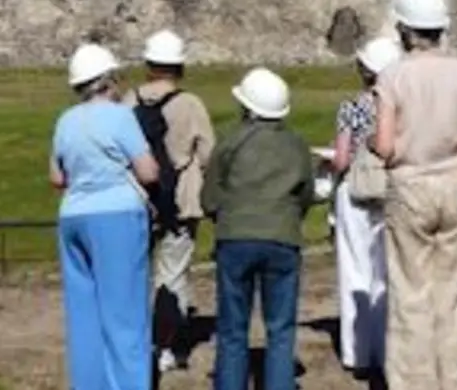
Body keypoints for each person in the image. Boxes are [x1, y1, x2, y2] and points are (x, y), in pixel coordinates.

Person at [372, 0, 457, 390]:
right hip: (455, 182)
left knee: (410, 294)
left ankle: (414, 382)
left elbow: (387, 146)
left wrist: (380, 147)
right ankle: (456, 381)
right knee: (452, 292)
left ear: (406, 30)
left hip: (411, 184)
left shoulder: (393, 75)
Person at [50, 43, 158, 390]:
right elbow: (148, 172)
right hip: (116, 215)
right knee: (124, 314)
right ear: (109, 80)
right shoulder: (120, 116)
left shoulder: (65, 120)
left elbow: (56, 177)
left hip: (73, 216)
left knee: (84, 314)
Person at [202, 67, 316, 390]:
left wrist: (225, 217)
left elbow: (210, 198)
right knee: (280, 329)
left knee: (232, 328)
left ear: (247, 107)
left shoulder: (229, 142)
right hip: (283, 237)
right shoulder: (297, 145)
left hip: (235, 238)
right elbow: (306, 194)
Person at [120, 30, 215, 373]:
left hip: (136, 199)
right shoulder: (190, 105)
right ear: (179, 66)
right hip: (180, 201)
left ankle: (135, 340)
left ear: (148, 64)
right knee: (172, 276)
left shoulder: (128, 101)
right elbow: (208, 154)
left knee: (133, 273)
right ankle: (166, 347)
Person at [330, 36, 402, 379]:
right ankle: (387, 347)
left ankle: (358, 351)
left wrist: (332, 165)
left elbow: (342, 158)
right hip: (392, 190)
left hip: (356, 192)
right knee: (386, 272)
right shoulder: (401, 108)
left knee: (355, 269)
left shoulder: (351, 107)